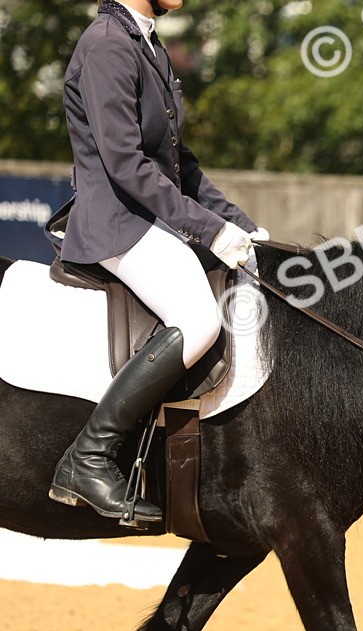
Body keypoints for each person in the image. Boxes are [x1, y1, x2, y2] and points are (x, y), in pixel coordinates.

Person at [49, 0, 266, 523]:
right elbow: (126, 164)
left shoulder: (147, 44)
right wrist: (210, 231)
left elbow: (178, 161)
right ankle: (89, 456)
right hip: (115, 224)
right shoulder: (106, 46)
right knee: (197, 321)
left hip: (149, 218)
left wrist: (236, 222)